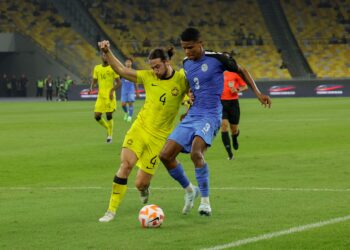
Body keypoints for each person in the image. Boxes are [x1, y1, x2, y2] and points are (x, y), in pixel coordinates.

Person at [159, 27, 271, 216]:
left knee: (196, 153)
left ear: (200, 43)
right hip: (193, 114)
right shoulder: (186, 63)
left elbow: (242, 70)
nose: (187, 52)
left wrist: (258, 93)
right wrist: (188, 109)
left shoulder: (217, 59)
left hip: (211, 114)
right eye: (184, 48)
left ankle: (205, 202)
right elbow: (193, 88)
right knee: (165, 155)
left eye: (191, 47)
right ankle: (189, 190)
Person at [97, 40, 189, 223]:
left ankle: (144, 189)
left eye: (157, 67)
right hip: (140, 129)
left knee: (140, 183)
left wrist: (189, 110)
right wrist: (107, 52)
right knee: (126, 165)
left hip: (159, 138)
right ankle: (111, 210)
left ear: (167, 62)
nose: (154, 71)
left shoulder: (181, 80)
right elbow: (122, 71)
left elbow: (194, 96)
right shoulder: (148, 77)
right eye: (152, 67)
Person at [90, 52, 121, 143]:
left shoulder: (113, 68)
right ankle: (108, 128)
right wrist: (91, 87)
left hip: (109, 96)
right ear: (101, 57)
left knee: (108, 115)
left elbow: (119, 83)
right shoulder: (97, 68)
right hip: (101, 96)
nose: (105, 57)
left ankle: (110, 136)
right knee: (97, 116)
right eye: (103, 55)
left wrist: (112, 91)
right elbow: (95, 80)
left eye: (107, 55)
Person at [220, 71, 248, 160]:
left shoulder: (234, 74)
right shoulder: (216, 73)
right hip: (221, 103)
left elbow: (245, 86)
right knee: (224, 126)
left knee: (234, 129)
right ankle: (230, 154)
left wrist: (237, 90)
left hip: (233, 103)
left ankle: (234, 137)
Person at [120, 58, 139, 122]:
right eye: (127, 62)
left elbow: (136, 82)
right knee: (123, 104)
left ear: (131, 63)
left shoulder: (134, 71)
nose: (128, 63)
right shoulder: (122, 71)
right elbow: (118, 79)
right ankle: (126, 112)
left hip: (131, 90)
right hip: (124, 90)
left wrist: (137, 92)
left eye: (129, 62)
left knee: (130, 103)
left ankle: (130, 117)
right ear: (125, 63)